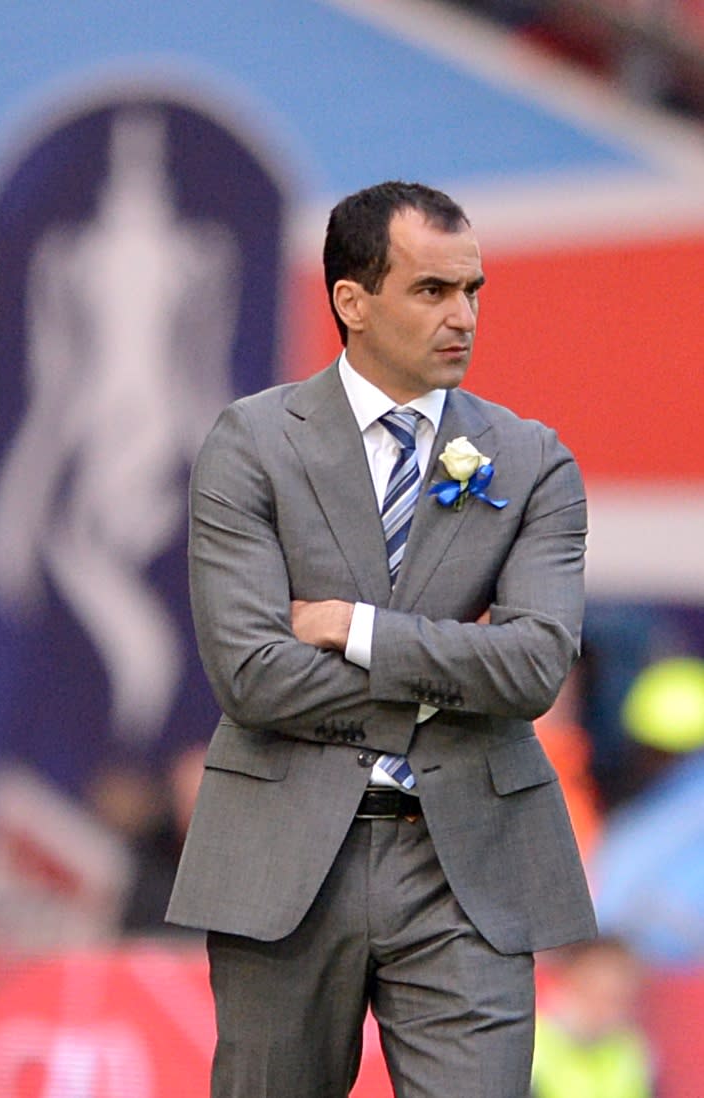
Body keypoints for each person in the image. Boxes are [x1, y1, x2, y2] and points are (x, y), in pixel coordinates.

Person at [167, 180, 596, 1097]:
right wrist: (450, 677)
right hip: (283, 864)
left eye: (472, 291)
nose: (463, 317)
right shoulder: (249, 444)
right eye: (431, 291)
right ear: (350, 303)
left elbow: (533, 668)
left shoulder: (531, 460)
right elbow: (250, 677)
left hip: (468, 865)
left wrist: (352, 629)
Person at [531, 936, 655, 1098]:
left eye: (617, 999)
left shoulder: (631, 1051)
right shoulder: (528, 1043)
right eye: (596, 993)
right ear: (568, 982)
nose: (605, 1010)